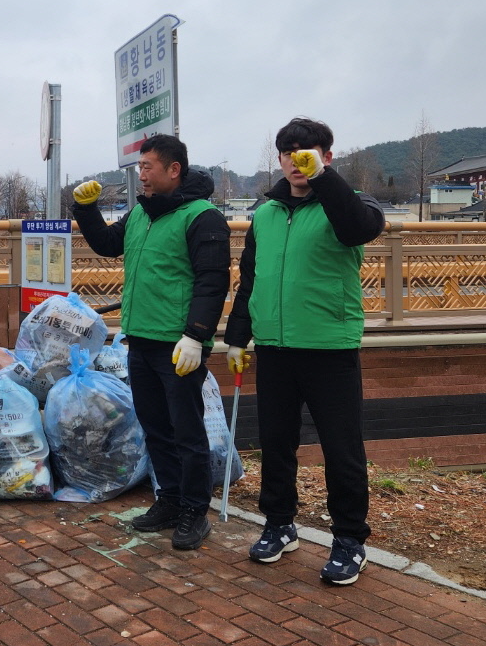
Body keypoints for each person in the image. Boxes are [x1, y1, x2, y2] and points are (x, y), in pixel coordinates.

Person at [225, 118, 384, 585]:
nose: (297, 159)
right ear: (278, 159)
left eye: (308, 151)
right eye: (289, 152)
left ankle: (350, 540)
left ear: (327, 156)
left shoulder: (350, 205)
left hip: (328, 347)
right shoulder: (267, 214)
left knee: (342, 448)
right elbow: (250, 278)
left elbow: (359, 230)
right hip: (275, 347)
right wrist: (237, 336)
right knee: (276, 442)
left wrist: (323, 179)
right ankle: (279, 525)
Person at [73, 134, 230, 551]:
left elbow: (213, 282)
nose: (141, 175)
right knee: (156, 427)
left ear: (173, 170)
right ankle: (170, 500)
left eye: (148, 168)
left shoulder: (202, 218)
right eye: (139, 167)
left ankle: (195, 510)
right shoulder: (141, 215)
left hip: (178, 345)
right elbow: (107, 245)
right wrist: (85, 210)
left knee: (187, 430)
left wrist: (196, 335)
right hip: (139, 339)